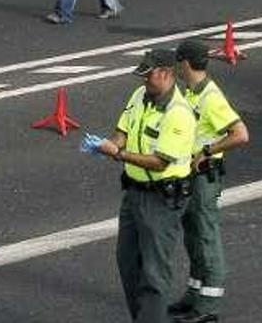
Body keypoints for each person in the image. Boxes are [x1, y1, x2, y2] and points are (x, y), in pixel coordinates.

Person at [95, 49, 197, 323]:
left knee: (154, 272)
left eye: (148, 75)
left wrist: (117, 154)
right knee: (127, 262)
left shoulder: (179, 114)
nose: (143, 82)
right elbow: (123, 132)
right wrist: (110, 144)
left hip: (162, 201)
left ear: (165, 73)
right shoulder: (140, 97)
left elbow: (159, 162)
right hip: (134, 194)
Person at [168, 40, 249, 323]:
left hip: (204, 177)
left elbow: (240, 134)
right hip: (190, 175)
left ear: (185, 64)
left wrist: (206, 152)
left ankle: (208, 308)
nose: (175, 66)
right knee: (193, 236)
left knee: (205, 237)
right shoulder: (190, 91)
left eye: (177, 61)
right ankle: (194, 296)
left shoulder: (210, 97)